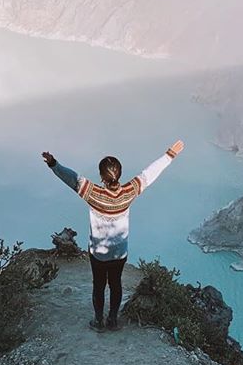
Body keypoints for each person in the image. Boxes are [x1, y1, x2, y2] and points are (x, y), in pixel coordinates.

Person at [41, 141, 184, 331]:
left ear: (102, 176)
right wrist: (169, 155)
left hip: (98, 253)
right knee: (116, 284)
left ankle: (98, 321)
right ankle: (113, 320)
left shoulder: (92, 193)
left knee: (98, 285)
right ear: (120, 173)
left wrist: (53, 164)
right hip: (119, 252)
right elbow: (149, 174)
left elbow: (71, 178)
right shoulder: (128, 193)